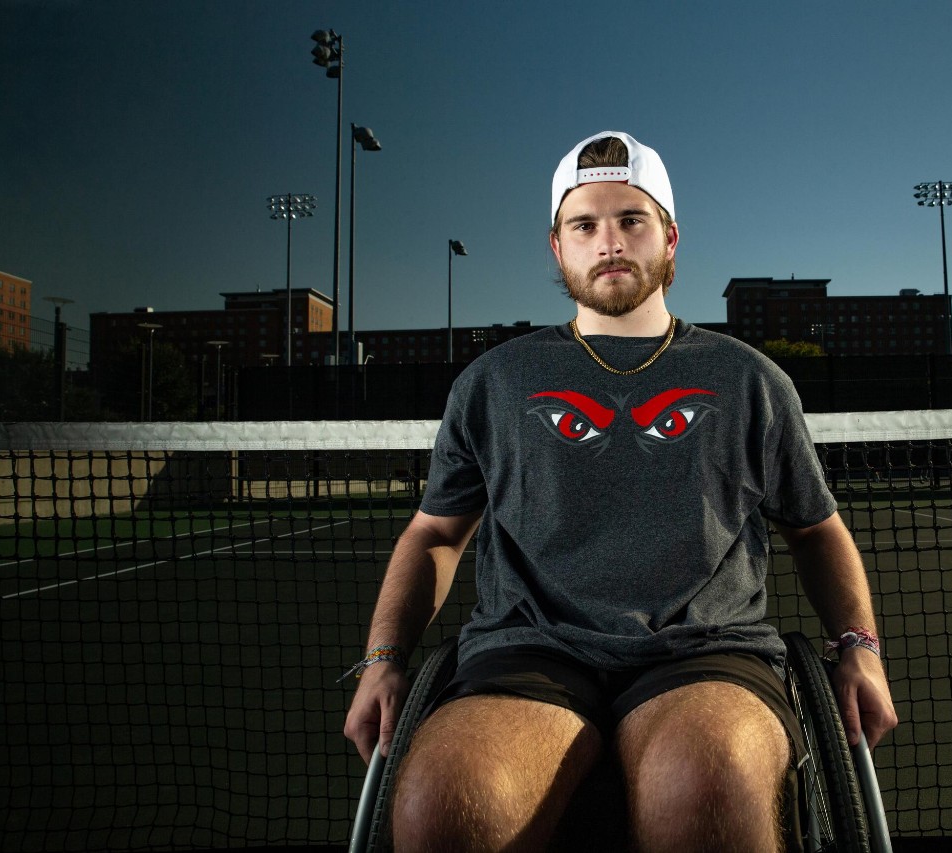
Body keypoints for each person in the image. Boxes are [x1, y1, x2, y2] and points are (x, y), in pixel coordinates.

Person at [343, 130, 897, 852]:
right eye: (586, 224)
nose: (609, 241)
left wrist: (861, 646)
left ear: (670, 238)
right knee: (440, 798)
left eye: (632, 220)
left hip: (705, 652)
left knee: (708, 779)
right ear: (558, 247)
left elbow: (816, 528)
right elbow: (434, 534)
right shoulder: (493, 382)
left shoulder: (750, 379)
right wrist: (383, 661)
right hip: (527, 652)